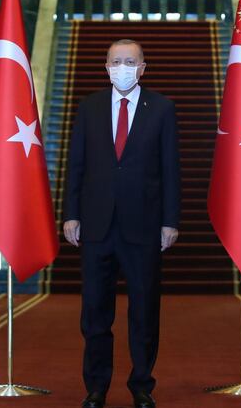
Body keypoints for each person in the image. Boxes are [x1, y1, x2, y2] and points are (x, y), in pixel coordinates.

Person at [63, 39, 181, 408]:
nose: (124, 67)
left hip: (144, 226)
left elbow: (170, 170)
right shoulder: (89, 107)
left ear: (143, 67)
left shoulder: (162, 109)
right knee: (95, 313)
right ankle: (96, 387)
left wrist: (170, 221)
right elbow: (76, 165)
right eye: (117, 61)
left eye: (131, 61)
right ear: (106, 66)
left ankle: (141, 385)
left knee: (144, 311)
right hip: (96, 226)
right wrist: (71, 213)